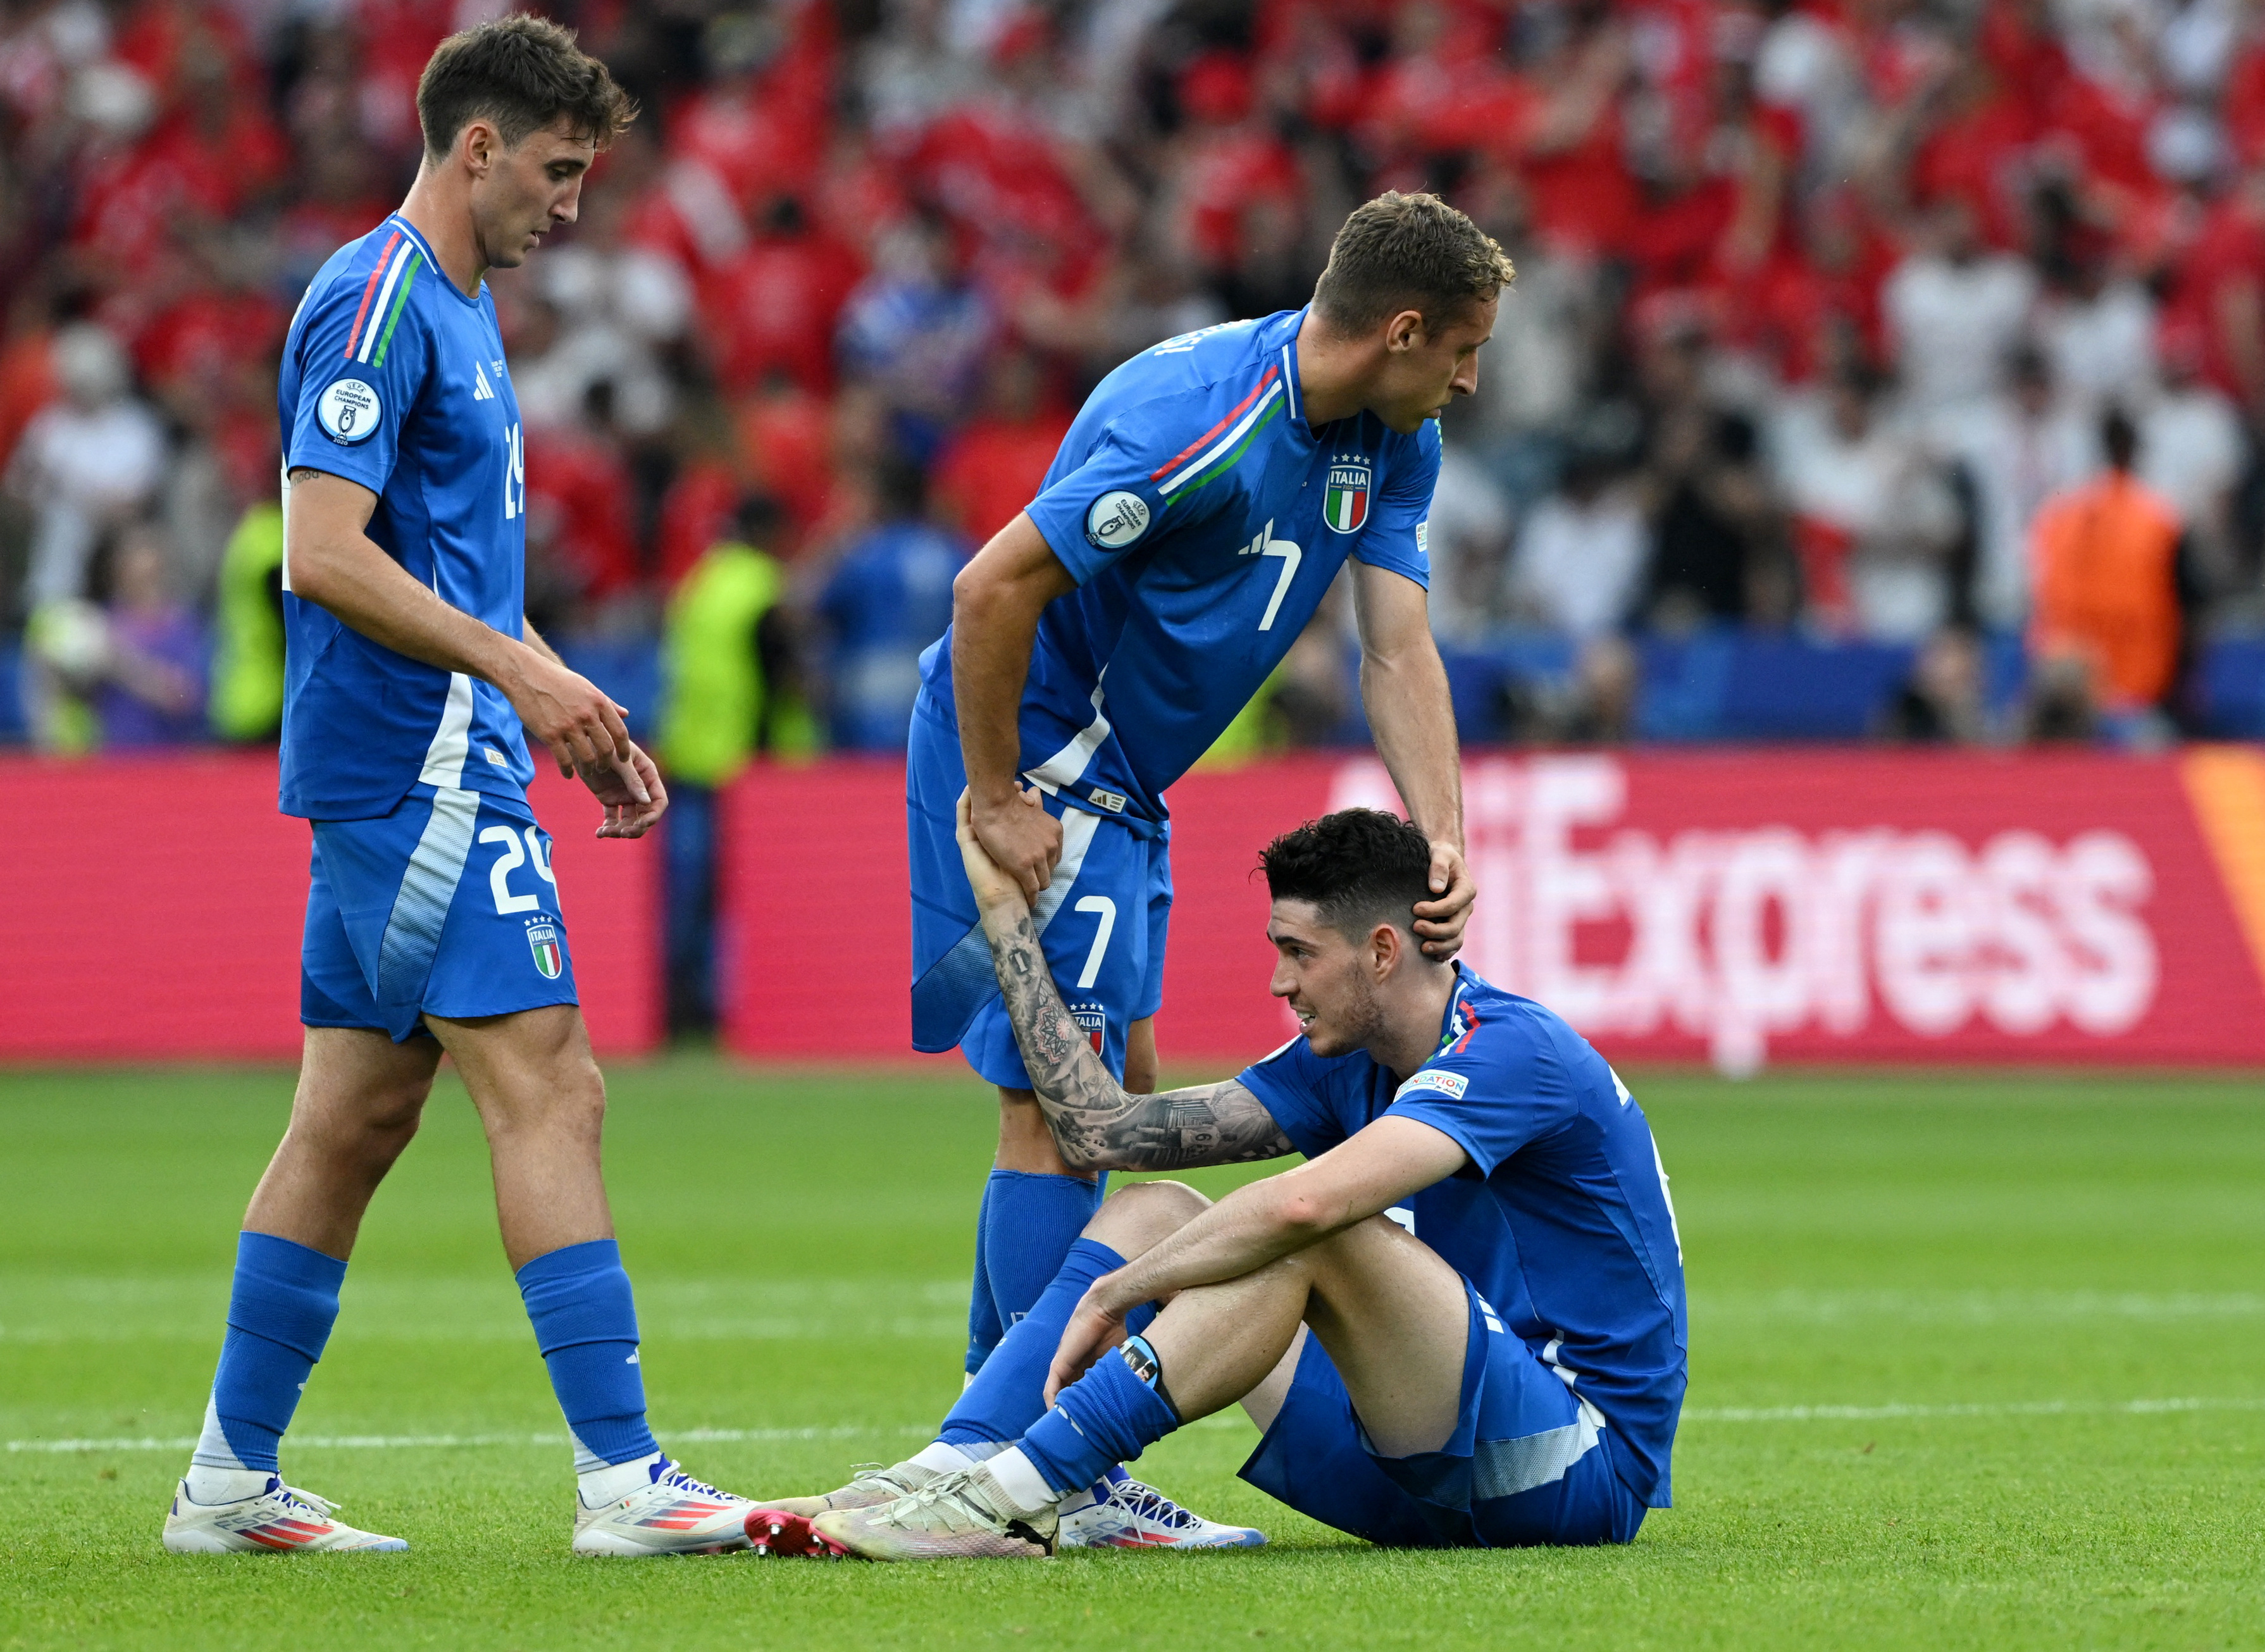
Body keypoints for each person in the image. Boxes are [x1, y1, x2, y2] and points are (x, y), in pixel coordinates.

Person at [162, 17, 771, 1558]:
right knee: (550, 1080)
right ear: (477, 146)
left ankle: (229, 1481)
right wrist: (517, 682)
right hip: (417, 764)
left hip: (441, 752)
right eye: (558, 173)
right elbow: (324, 552)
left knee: (353, 1116)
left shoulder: (462, 308)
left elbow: (450, 569)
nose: (571, 207)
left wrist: (559, 693)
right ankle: (626, 1479)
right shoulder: (375, 301)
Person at [908, 192, 1497, 1545]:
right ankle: (1010, 1460)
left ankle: (1029, 1453)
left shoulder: (1389, 440)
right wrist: (995, 796)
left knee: (1112, 1096)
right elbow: (990, 589)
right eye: (1460, 349)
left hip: (1127, 778)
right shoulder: (1195, 420)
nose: (1467, 380)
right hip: (1050, 753)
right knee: (1059, 1113)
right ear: (1401, 331)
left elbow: (1396, 648)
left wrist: (1439, 831)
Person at [765, 805, 1686, 1560]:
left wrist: (1123, 1294)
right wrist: (1009, 919)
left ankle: (1008, 1498)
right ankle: (952, 1467)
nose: (1279, 982)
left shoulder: (1515, 1050)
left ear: (1379, 951)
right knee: (1153, 1207)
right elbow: (1101, 1130)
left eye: (1299, 951)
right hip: (1420, 1455)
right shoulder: (1347, 1058)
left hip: (1575, 1468)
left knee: (1316, 1228)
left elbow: (1306, 1207)